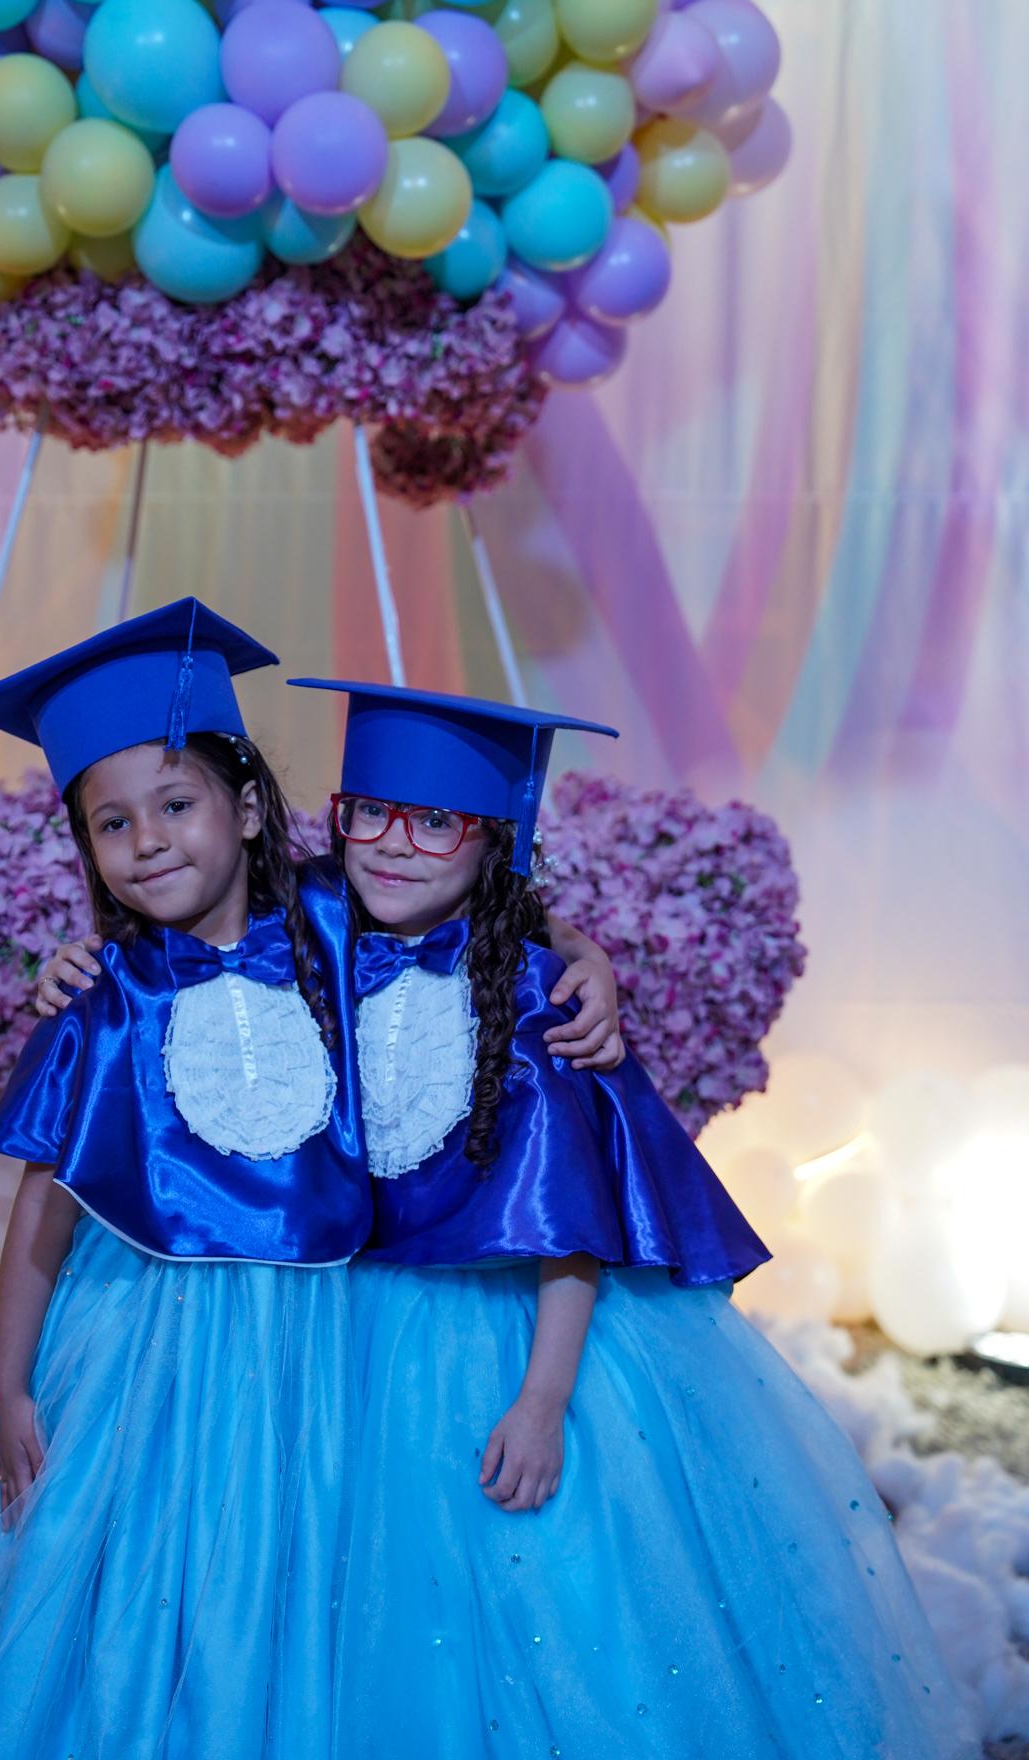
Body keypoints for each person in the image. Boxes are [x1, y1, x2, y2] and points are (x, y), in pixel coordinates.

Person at [291, 676, 980, 1760]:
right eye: (366, 811)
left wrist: (543, 1400)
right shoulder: (312, 936)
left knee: (542, 1596)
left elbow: (569, 1217)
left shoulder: (534, 1001)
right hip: (335, 1319)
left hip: (506, 1335)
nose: (390, 844)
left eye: (434, 820)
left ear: (494, 838)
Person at [0, 600, 368, 1760]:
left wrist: (584, 960)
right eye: (110, 822)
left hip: (328, 1332)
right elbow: (40, 1212)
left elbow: (486, 933)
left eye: (175, 804)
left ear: (248, 809)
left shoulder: (339, 935)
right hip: (151, 1340)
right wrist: (7, 1385)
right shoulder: (101, 1004)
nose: (145, 840)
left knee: (309, 1557)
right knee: (146, 1559)